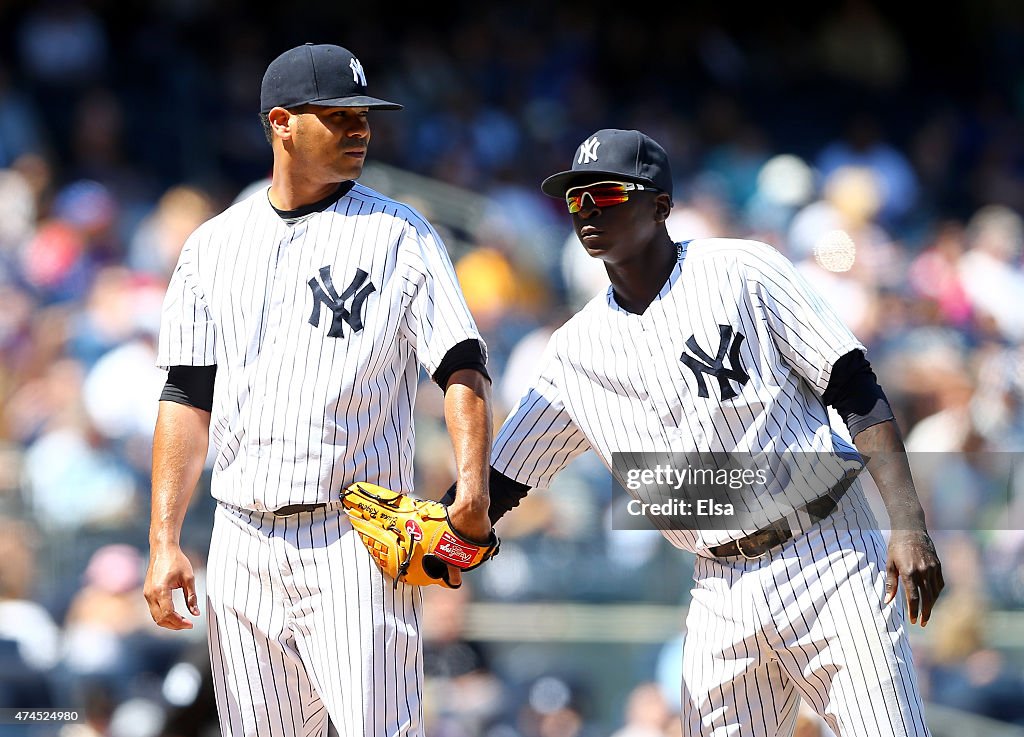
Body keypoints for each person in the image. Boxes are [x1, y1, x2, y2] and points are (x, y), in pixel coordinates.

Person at [461, 129, 943, 736]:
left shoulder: (742, 271)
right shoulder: (572, 352)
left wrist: (909, 523)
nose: (586, 210)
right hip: (717, 584)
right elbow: (500, 481)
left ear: (660, 205)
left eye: (605, 193)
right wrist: (439, 535)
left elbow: (854, 387)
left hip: (828, 552)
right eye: (575, 198)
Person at [143, 42, 493, 737]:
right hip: (241, 535)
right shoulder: (213, 246)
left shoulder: (401, 234)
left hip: (354, 534)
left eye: (364, 114)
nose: (359, 127)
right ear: (281, 123)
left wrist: (473, 488)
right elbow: (185, 394)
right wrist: (164, 539)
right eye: (337, 115)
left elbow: (461, 364)